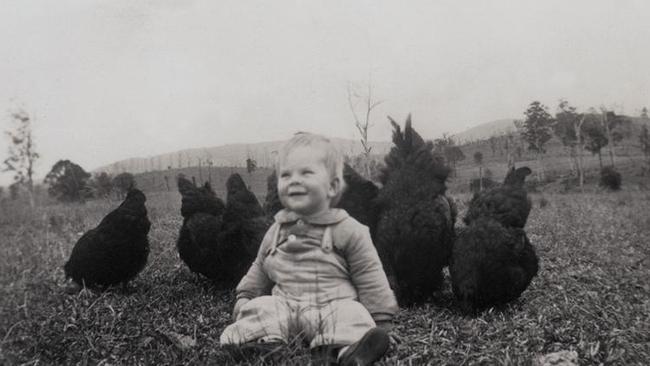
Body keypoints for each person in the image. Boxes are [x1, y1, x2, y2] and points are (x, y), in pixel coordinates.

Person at [220, 132, 398, 365]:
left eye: (306, 173)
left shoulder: (349, 230)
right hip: (285, 308)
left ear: (333, 186)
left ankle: (344, 352)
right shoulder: (276, 230)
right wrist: (246, 295)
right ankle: (266, 344)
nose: (295, 180)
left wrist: (382, 320)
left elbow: (370, 274)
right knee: (262, 308)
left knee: (353, 314)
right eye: (286, 174)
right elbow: (260, 267)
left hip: (332, 306)